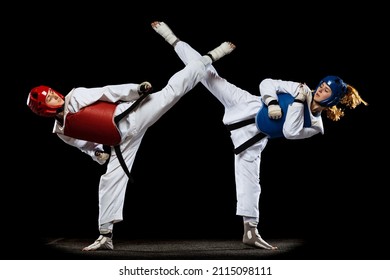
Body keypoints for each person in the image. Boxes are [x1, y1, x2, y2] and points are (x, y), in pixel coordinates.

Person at [151, 21, 368, 250]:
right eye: (322, 84)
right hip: (247, 104)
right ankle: (174, 40)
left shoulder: (316, 125)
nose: (321, 88)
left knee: (251, 182)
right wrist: (271, 100)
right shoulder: (300, 87)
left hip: (253, 138)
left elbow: (290, 132)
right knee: (208, 74)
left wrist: (297, 101)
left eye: (327, 90)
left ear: (332, 99)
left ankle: (250, 231)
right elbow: (268, 83)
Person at [26, 40, 235, 251]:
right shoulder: (62, 131)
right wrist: (97, 153)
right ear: (44, 110)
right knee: (109, 180)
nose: (54, 95)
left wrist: (136, 90)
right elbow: (85, 144)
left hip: (133, 115)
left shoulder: (76, 96)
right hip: (120, 141)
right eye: (49, 98)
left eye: (52, 92)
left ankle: (208, 58)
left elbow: (107, 92)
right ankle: (105, 235)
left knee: (172, 91)